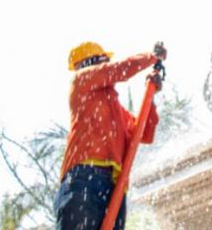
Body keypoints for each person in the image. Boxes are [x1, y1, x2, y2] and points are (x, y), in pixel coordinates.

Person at [53, 41, 164, 230]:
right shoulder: (81, 81)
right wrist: (150, 57)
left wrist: (150, 99)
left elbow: (144, 134)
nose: (107, 64)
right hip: (84, 178)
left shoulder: (116, 112)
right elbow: (116, 70)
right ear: (92, 62)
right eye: (104, 60)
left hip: (114, 187)